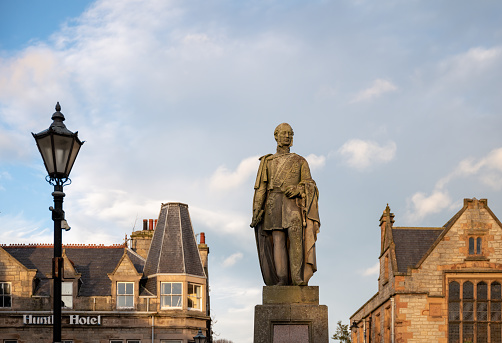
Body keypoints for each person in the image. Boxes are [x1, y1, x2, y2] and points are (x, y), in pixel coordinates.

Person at [251, 123, 320, 286]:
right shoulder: (267, 162)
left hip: (293, 205)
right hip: (273, 203)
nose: (287, 136)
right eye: (284, 133)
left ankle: (297, 277)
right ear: (276, 136)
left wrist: (298, 189)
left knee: (296, 239)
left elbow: (310, 185)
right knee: (278, 240)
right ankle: (281, 279)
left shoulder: (300, 160)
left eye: (290, 134)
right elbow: (261, 188)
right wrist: (256, 211)